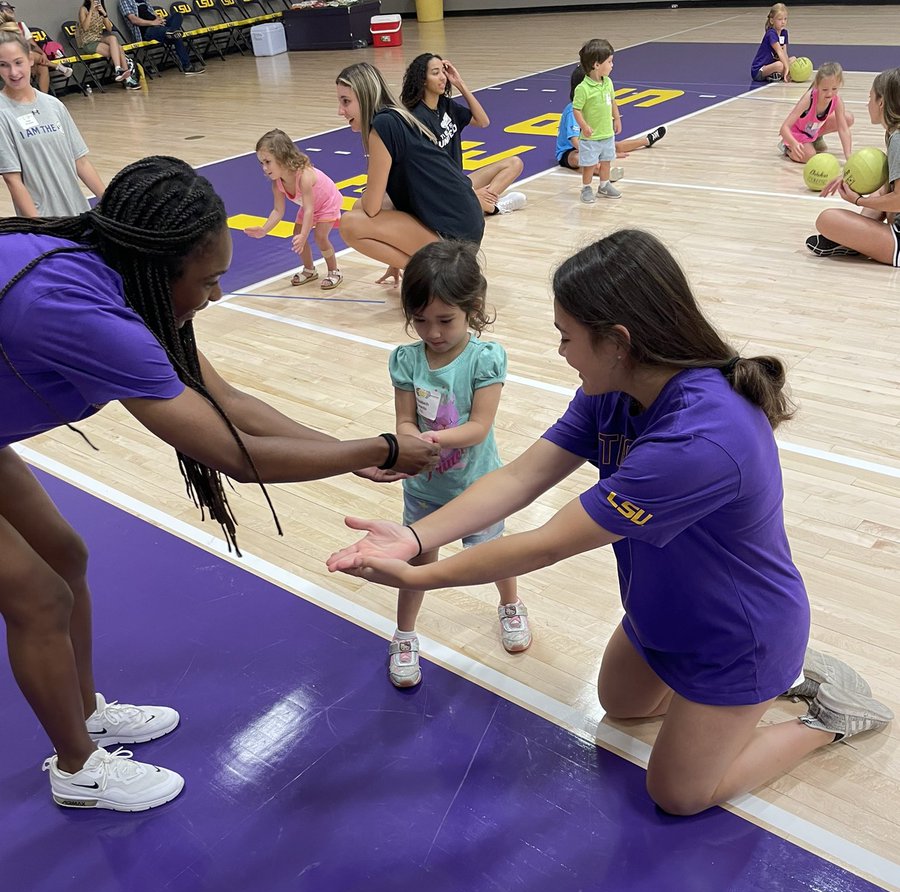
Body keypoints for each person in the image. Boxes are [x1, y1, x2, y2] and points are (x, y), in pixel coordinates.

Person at [327, 228, 893, 817]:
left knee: (678, 794)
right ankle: (756, 695)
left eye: (565, 336)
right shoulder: (615, 389)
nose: (561, 351)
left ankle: (826, 718)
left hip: (735, 636)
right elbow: (521, 477)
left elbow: (547, 544)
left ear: (617, 341)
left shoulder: (700, 440)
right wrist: (415, 538)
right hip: (660, 605)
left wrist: (420, 575)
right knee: (621, 705)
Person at [0, 155, 439, 812]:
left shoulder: (124, 279)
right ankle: (77, 768)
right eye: (208, 282)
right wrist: (380, 447)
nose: (216, 296)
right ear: (159, 267)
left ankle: (84, 712)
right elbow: (236, 454)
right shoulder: (82, 314)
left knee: (65, 555)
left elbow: (228, 401)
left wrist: (349, 454)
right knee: (38, 598)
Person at [384, 241, 531, 688]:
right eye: (420, 320)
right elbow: (404, 419)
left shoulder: (484, 358)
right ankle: (404, 635)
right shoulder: (407, 360)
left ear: (473, 308)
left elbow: (479, 427)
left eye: (445, 320)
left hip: (478, 487)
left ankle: (510, 604)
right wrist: (405, 442)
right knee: (416, 562)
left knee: (493, 555)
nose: (432, 332)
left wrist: (428, 439)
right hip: (424, 490)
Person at [335, 62, 485, 285]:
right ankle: (436, 271)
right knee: (364, 207)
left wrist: (370, 194)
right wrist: (393, 260)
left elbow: (372, 207)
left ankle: (444, 276)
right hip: (468, 222)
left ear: (365, 96)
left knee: (350, 224)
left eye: (346, 101)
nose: (340, 111)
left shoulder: (382, 126)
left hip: (456, 236)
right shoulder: (397, 115)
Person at [400, 53, 527, 216]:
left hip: (457, 183)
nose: (442, 77)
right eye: (435, 73)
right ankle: (492, 207)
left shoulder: (446, 105)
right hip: (437, 190)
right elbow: (427, 172)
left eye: (443, 72)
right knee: (466, 197)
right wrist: (467, 191)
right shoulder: (417, 117)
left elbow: (483, 121)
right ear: (422, 80)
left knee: (514, 163)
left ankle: (480, 203)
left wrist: (460, 83)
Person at [0, 31, 105, 217]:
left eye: (18, 62)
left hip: (78, 214)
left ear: (30, 59)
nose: (13, 72)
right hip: (44, 221)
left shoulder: (53, 105)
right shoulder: (2, 112)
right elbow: (13, 180)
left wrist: (109, 203)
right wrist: (40, 227)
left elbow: (80, 161)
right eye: (3, 65)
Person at [806, 68, 900, 263]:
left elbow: (898, 200)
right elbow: (888, 179)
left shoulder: (897, 139)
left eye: (870, 97)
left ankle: (855, 242)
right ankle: (855, 241)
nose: (867, 103)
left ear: (881, 102)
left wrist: (858, 201)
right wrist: (853, 175)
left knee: (827, 219)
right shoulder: (894, 133)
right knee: (880, 192)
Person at [243, 128, 344, 290]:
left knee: (320, 237)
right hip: (310, 204)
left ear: (282, 158)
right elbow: (278, 211)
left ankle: (334, 271)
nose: (264, 168)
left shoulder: (304, 176)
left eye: (268, 162)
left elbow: (309, 210)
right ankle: (309, 270)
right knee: (297, 234)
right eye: (261, 163)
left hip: (327, 202)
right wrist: (264, 230)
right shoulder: (277, 183)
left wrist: (305, 235)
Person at [556, 65, 665, 178]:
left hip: (590, 143)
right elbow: (574, 140)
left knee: (615, 146)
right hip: (569, 150)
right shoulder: (572, 111)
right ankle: (604, 172)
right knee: (577, 158)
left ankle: (647, 140)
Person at [573, 39, 622, 204]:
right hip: (591, 137)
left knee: (606, 161)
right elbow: (576, 109)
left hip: (607, 133)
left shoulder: (608, 83)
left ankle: (604, 185)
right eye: (609, 62)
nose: (612, 65)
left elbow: (613, 102)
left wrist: (617, 118)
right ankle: (586, 188)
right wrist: (584, 126)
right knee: (589, 164)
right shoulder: (583, 88)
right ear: (596, 65)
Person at [779, 62, 853, 163]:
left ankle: (815, 139)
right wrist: (793, 142)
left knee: (848, 118)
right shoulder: (808, 99)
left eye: (834, 89)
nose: (830, 93)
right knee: (809, 155)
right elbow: (784, 128)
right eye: (825, 89)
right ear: (817, 86)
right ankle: (787, 147)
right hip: (797, 132)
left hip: (812, 129)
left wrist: (848, 155)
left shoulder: (837, 100)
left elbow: (843, 129)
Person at [0, 2, 73, 91]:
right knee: (27, 56)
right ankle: (57, 66)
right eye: (6, 10)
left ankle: (43, 96)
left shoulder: (20, 25)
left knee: (42, 66)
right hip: (6, 59)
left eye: (11, 10)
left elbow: (32, 44)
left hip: (24, 56)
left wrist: (42, 53)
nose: (10, 12)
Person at [117, 0, 203, 74]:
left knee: (178, 15)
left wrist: (159, 20)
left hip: (158, 26)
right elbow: (133, 20)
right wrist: (153, 23)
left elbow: (152, 15)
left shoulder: (143, 0)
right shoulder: (125, 1)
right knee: (177, 37)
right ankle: (187, 66)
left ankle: (171, 31)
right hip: (146, 31)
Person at [76, 0, 138, 89]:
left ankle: (118, 69)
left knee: (113, 38)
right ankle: (127, 79)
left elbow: (109, 29)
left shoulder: (100, 9)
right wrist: (91, 11)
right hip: (88, 42)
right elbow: (85, 27)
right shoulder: (84, 9)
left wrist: (104, 14)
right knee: (119, 49)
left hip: (98, 38)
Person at [750, 4, 796, 84]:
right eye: (780, 19)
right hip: (760, 71)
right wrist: (787, 68)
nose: (783, 22)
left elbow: (784, 53)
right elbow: (779, 52)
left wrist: (787, 66)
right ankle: (777, 74)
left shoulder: (784, 33)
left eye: (785, 19)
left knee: (793, 59)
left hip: (773, 65)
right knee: (780, 65)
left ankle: (777, 74)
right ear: (772, 21)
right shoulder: (771, 33)